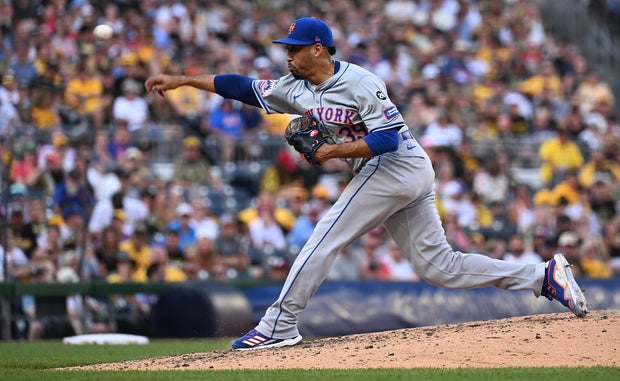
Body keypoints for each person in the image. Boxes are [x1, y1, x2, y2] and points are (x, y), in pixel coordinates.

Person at [145, 17, 588, 351]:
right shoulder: (292, 86)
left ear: (318, 50)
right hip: (396, 174)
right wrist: (184, 80)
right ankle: (542, 276)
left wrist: (332, 153)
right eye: (287, 48)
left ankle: (278, 326)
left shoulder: (360, 82)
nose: (287, 55)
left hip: (397, 165)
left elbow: (387, 137)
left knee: (324, 237)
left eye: (295, 49)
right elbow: (239, 86)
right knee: (439, 267)